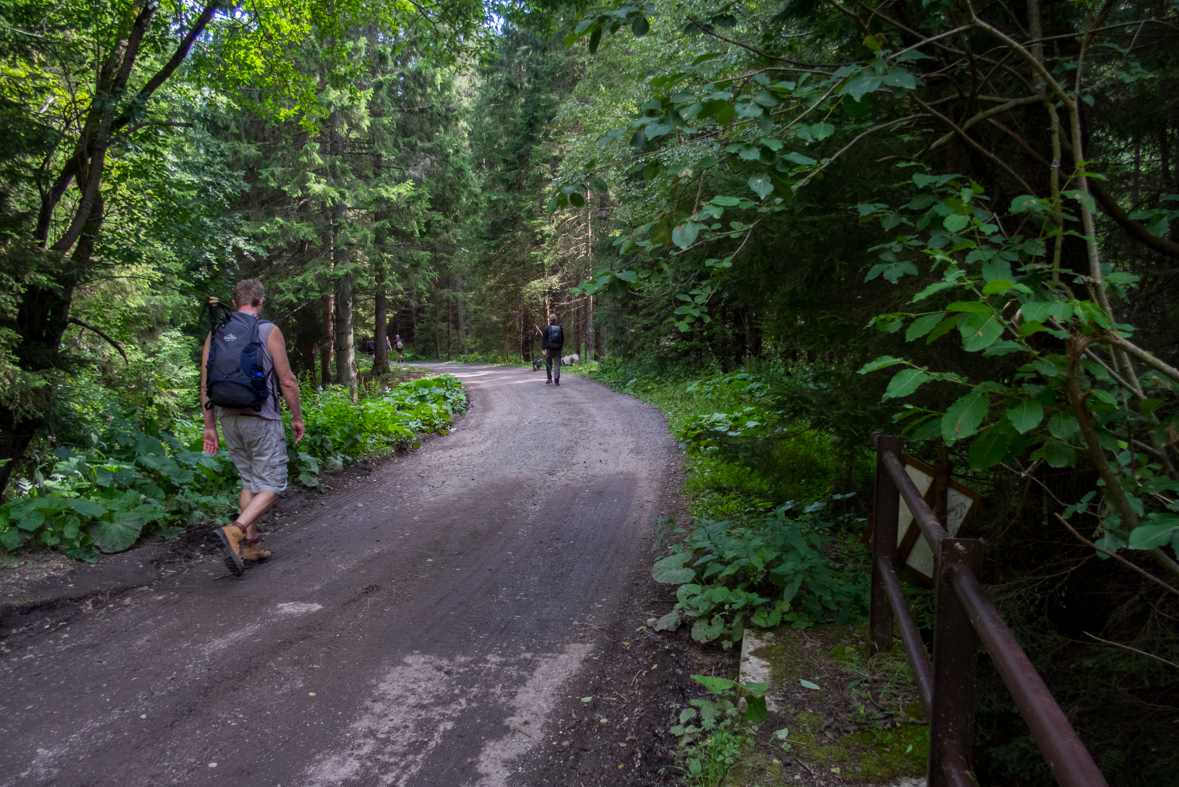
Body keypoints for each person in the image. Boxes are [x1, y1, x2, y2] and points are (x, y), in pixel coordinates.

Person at [200, 278, 305, 577]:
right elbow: (287, 381)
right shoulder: (268, 330)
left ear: (234, 303)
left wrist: (209, 426)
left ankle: (252, 546)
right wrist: (297, 418)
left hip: (228, 418)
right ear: (261, 302)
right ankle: (236, 531)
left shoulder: (217, 331)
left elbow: (206, 382)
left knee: (250, 482)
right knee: (272, 485)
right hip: (262, 417)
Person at [541, 313, 564, 386]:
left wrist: (543, 348)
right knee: (557, 364)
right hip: (558, 348)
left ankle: (549, 379)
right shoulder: (560, 328)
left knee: (548, 363)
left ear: (549, 320)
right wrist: (561, 346)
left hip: (549, 348)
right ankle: (556, 381)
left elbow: (544, 339)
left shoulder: (547, 328)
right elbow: (562, 338)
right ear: (555, 320)